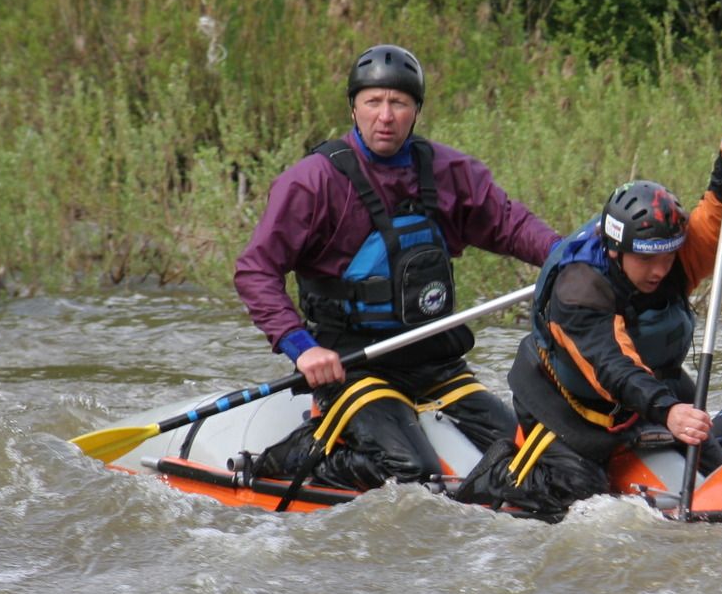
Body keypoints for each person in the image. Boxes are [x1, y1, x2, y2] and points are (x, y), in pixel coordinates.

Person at [233, 44, 560, 490]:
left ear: (416, 110)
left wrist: (567, 257)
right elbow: (256, 271)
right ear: (354, 108)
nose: (384, 116)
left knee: (533, 457)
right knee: (410, 471)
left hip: (435, 363)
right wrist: (301, 345)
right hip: (353, 365)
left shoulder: (450, 171)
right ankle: (287, 458)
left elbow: (510, 224)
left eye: (398, 103)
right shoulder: (312, 181)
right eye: (373, 102)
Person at [454, 122, 722, 519]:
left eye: (667, 258)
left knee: (719, 464)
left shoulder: (668, 255)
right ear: (616, 252)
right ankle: (503, 473)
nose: (659, 270)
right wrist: (668, 411)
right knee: (583, 492)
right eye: (647, 260)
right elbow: (612, 366)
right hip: (566, 403)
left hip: (649, 385)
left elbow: (715, 230)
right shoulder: (579, 288)